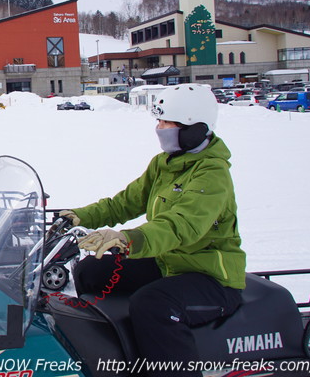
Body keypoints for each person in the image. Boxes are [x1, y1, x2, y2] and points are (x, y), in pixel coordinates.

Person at [58, 84, 245, 377]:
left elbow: (181, 225)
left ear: (193, 128)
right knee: (90, 271)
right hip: (169, 263)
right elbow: (125, 203)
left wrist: (128, 240)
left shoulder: (212, 174)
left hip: (211, 277)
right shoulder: (164, 164)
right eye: (158, 121)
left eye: (166, 122)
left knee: (153, 304)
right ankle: (109, 354)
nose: (159, 128)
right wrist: (79, 216)